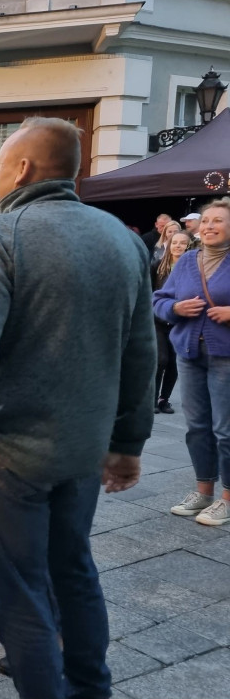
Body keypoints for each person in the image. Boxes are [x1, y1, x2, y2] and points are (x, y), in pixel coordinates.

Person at [0, 117, 155, 699]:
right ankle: (90, 689)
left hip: (12, 445)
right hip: (83, 443)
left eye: (1, 165)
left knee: (20, 590)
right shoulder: (123, 239)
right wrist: (128, 443)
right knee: (73, 570)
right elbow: (140, 352)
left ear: (23, 168)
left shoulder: (2, 234)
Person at [154, 199, 230, 527]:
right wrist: (175, 310)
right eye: (207, 220)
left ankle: (227, 498)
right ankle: (204, 491)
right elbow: (159, 299)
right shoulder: (187, 261)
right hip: (189, 354)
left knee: (225, 431)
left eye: (219, 221)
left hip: (225, 357)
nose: (210, 226)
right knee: (197, 428)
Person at [152, 230, 191, 414]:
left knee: (174, 363)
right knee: (161, 360)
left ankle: (164, 399)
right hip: (158, 321)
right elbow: (150, 290)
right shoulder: (159, 266)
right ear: (169, 245)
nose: (178, 246)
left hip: (180, 323)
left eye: (182, 243)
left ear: (188, 246)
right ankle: (152, 398)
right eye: (175, 242)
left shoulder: (193, 269)